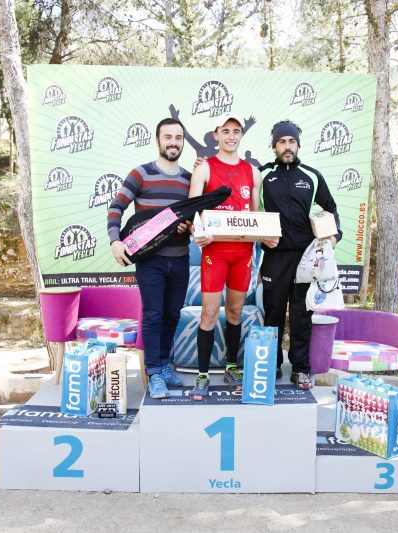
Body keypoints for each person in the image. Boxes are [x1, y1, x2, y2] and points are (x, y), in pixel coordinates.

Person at [187, 113, 275, 401]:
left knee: (236, 312)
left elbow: (256, 216)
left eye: (236, 131)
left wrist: (266, 234)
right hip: (215, 253)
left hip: (242, 254)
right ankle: (202, 376)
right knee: (209, 313)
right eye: (225, 131)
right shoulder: (205, 168)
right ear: (216, 135)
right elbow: (192, 210)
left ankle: (232, 367)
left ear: (241, 135)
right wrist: (197, 231)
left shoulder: (253, 172)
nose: (231, 136)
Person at [107, 117, 191, 399]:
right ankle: (153, 373)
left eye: (178, 138)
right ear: (158, 141)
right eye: (168, 137)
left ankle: (165, 365)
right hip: (150, 261)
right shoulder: (141, 174)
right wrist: (115, 240)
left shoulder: (190, 180)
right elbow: (116, 207)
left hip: (180, 258)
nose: (173, 143)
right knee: (153, 315)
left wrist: (189, 226)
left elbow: (195, 218)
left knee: (172, 315)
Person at [259, 120, 341, 390]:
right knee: (272, 313)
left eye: (291, 142)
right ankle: (270, 364)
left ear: (298, 145)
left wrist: (334, 236)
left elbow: (330, 208)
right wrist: (260, 236)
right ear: (274, 146)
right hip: (275, 256)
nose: (287, 147)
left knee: (301, 314)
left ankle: (300, 368)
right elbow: (249, 211)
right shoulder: (262, 175)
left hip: (307, 257)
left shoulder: (311, 176)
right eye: (281, 142)